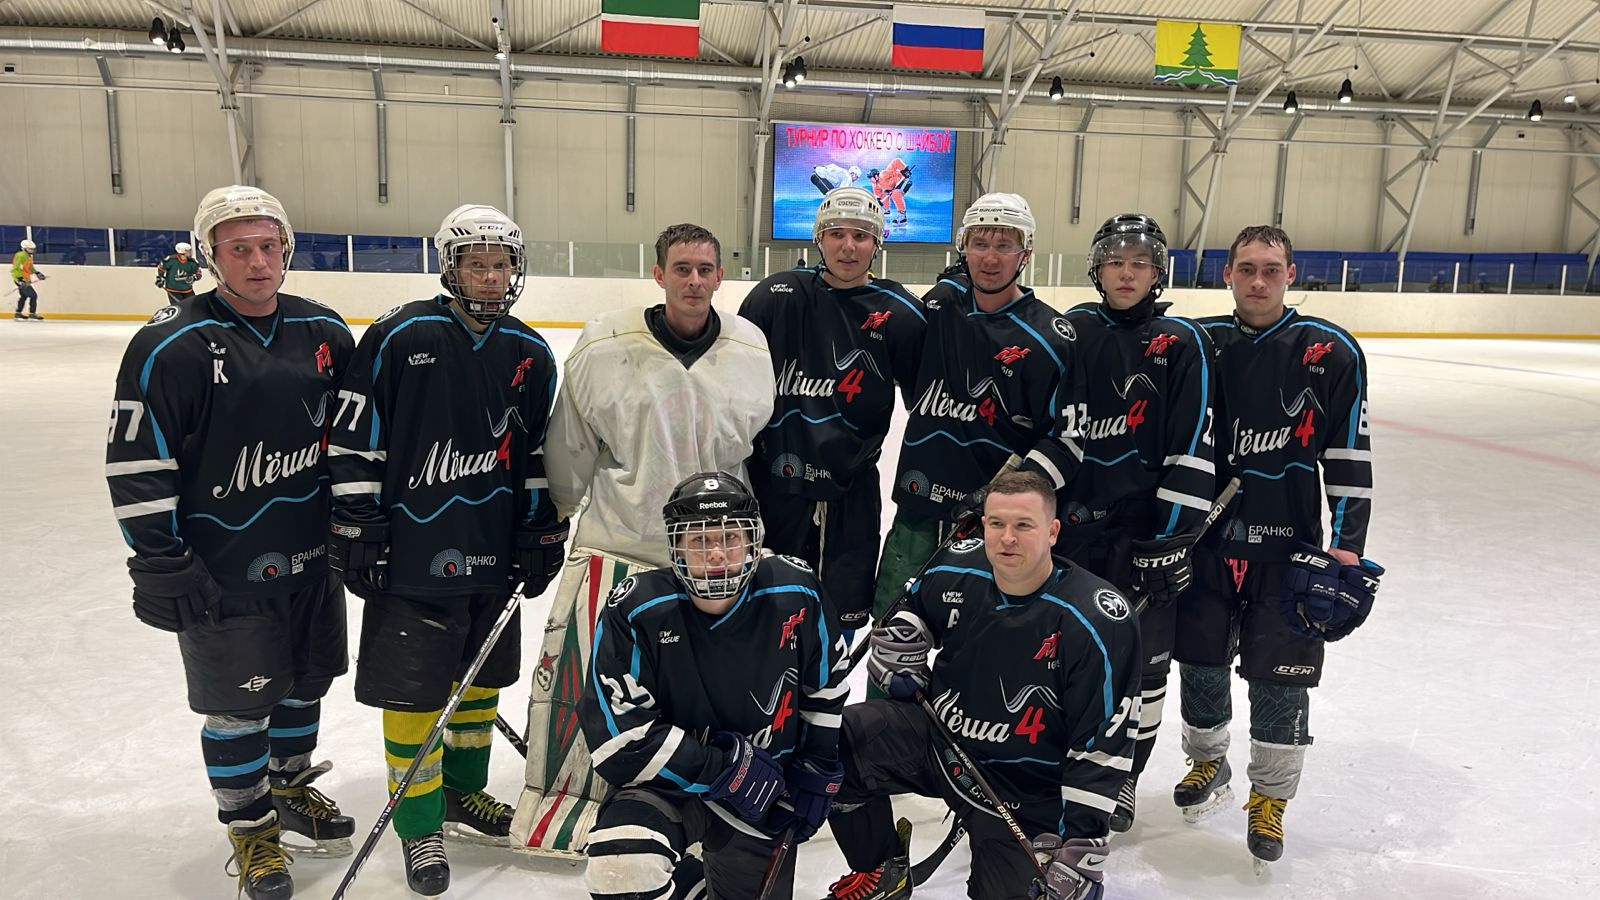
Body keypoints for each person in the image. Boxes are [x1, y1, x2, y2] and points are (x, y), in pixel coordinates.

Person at [105, 185, 356, 900]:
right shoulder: (171, 344)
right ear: (211, 256)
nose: (257, 261)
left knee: (306, 684)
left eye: (268, 246)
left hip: (312, 559)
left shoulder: (324, 331)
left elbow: (357, 441)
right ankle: (250, 828)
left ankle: (290, 788)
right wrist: (160, 557)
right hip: (223, 568)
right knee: (240, 706)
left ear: (286, 249)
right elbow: (138, 460)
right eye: (238, 249)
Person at [325, 203, 565, 896]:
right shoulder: (400, 336)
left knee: (481, 680)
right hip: (412, 551)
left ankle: (462, 791)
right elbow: (355, 439)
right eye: (475, 264)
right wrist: (359, 523)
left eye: (501, 264)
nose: (490, 277)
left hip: (493, 549)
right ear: (449, 267)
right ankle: (418, 822)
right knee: (414, 692)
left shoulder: (529, 352)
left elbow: (536, 455)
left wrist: (537, 527)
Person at [514, 223, 774, 860]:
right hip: (620, 542)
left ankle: (708, 799)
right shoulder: (605, 343)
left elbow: (751, 447)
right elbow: (571, 443)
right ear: (658, 275)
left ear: (720, 276)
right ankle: (569, 804)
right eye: (681, 268)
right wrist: (560, 513)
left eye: (705, 270)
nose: (694, 281)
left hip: (717, 555)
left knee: (713, 686)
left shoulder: (748, 346)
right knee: (588, 682)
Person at [821, 471, 1141, 900]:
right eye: (996, 523)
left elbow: (1103, 743)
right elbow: (916, 607)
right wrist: (904, 636)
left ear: (1052, 532)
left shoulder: (1096, 619)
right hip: (943, 745)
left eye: (1023, 525)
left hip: (1027, 789)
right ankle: (881, 869)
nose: (1007, 538)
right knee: (832, 743)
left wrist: (1081, 843)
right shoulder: (956, 566)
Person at [1175, 225, 1380, 867]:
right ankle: (1207, 762)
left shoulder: (1330, 350)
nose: (1258, 281)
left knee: (1281, 675)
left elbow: (1348, 454)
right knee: (1200, 661)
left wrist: (1347, 545)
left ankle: (1270, 796)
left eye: (1271, 269)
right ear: (1227, 274)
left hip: (1289, 548)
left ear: (1291, 273)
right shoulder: (1200, 343)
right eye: (1246, 269)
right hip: (1206, 542)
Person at [1018, 213, 1217, 834]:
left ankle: (1126, 773)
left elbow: (1192, 446)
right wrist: (1018, 500)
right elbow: (1060, 431)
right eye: (1115, 262)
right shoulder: (1074, 329)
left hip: (1143, 536)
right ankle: (1058, 764)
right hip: (1077, 532)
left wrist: (1171, 539)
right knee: (1064, 656)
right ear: (1096, 269)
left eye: (1140, 264)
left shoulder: (1181, 341)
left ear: (1158, 273)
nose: (1127, 274)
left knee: (1144, 665)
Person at [579, 472, 847, 900]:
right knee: (622, 866)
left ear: (753, 540)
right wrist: (724, 769)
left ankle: (696, 887)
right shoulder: (637, 609)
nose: (717, 553)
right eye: (700, 540)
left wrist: (816, 764)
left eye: (730, 537)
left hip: (764, 794)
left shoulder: (797, 591)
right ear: (676, 547)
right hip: (670, 788)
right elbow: (619, 740)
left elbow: (826, 687)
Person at [874, 193, 1073, 637]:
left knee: (986, 646)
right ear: (963, 248)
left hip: (998, 529)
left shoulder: (1050, 338)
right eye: (980, 243)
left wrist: (1004, 495)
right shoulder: (937, 309)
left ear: (1026, 252)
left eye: (1005, 245)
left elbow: (1066, 440)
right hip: (918, 510)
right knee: (893, 638)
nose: (990, 258)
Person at [740, 187, 925, 636]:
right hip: (773, 491)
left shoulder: (900, 313)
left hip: (851, 496)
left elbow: (928, 404)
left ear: (877, 242)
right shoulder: (776, 296)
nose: (848, 246)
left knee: (838, 622)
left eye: (861, 235)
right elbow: (734, 386)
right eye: (837, 233)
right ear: (818, 238)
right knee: (766, 616)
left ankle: (830, 683)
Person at [156, 241, 206, 305]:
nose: (190, 252)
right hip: (173, 290)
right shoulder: (171, 260)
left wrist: (194, 278)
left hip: (187, 290)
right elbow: (161, 268)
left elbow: (198, 273)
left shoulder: (192, 262)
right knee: (179, 307)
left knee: (192, 306)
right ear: (182, 251)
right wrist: (160, 278)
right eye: (188, 250)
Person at [867, 159, 913, 227]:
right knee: (885, 193)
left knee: (895, 193)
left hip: (904, 180)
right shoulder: (875, 184)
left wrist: (905, 169)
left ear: (876, 176)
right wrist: (878, 199)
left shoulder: (883, 175)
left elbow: (896, 161)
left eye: (871, 178)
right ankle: (886, 209)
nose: (870, 180)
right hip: (894, 185)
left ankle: (902, 216)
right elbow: (877, 194)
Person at [12, 238, 46, 320]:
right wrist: (20, 279)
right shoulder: (20, 255)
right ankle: (32, 313)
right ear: (24, 248)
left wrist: (37, 273)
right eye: (30, 249)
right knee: (33, 295)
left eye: (33, 249)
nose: (32, 250)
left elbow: (30, 267)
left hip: (25, 279)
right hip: (20, 280)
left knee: (23, 296)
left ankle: (18, 313)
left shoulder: (29, 256)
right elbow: (16, 268)